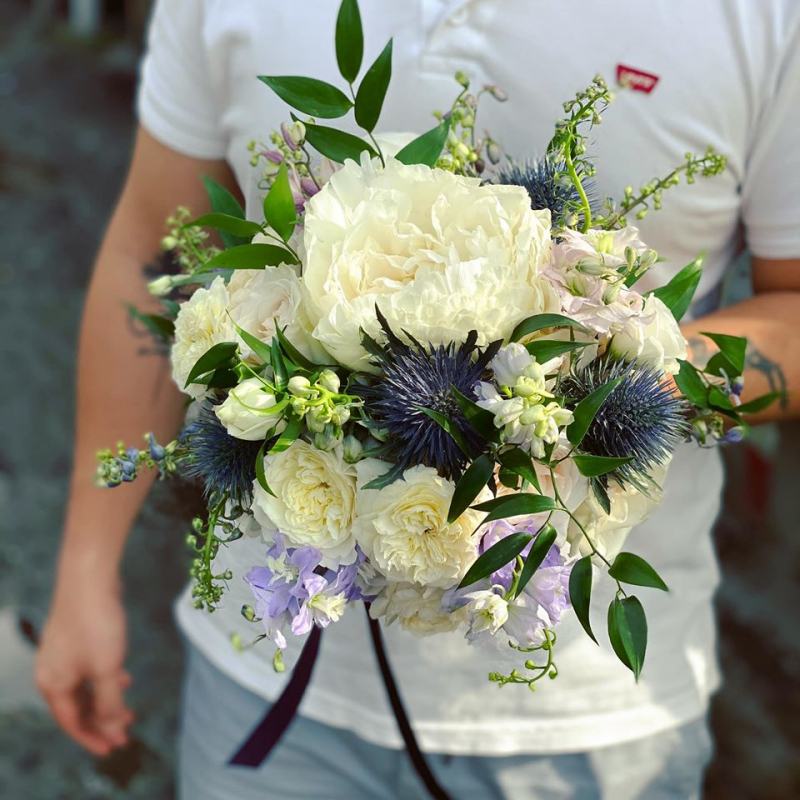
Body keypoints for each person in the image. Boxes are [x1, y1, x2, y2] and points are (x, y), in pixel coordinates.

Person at [35, 1, 800, 798]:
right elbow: (150, 249)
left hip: (584, 729)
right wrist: (84, 572)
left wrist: (597, 381)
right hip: (268, 685)